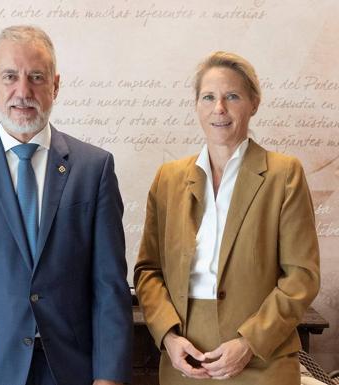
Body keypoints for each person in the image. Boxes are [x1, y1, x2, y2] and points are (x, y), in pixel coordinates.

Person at [0, 25, 134, 385]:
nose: (22, 92)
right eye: (10, 76)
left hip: (72, 367)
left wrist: (110, 377)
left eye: (36, 77)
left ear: (55, 85)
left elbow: (110, 284)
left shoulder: (94, 168)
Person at [134, 51, 320, 385]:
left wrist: (249, 342)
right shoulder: (168, 179)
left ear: (254, 103)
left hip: (263, 363)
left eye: (231, 96)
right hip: (185, 363)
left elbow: (302, 276)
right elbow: (149, 270)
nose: (219, 108)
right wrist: (169, 338)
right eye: (208, 97)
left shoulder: (284, 174)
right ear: (197, 105)